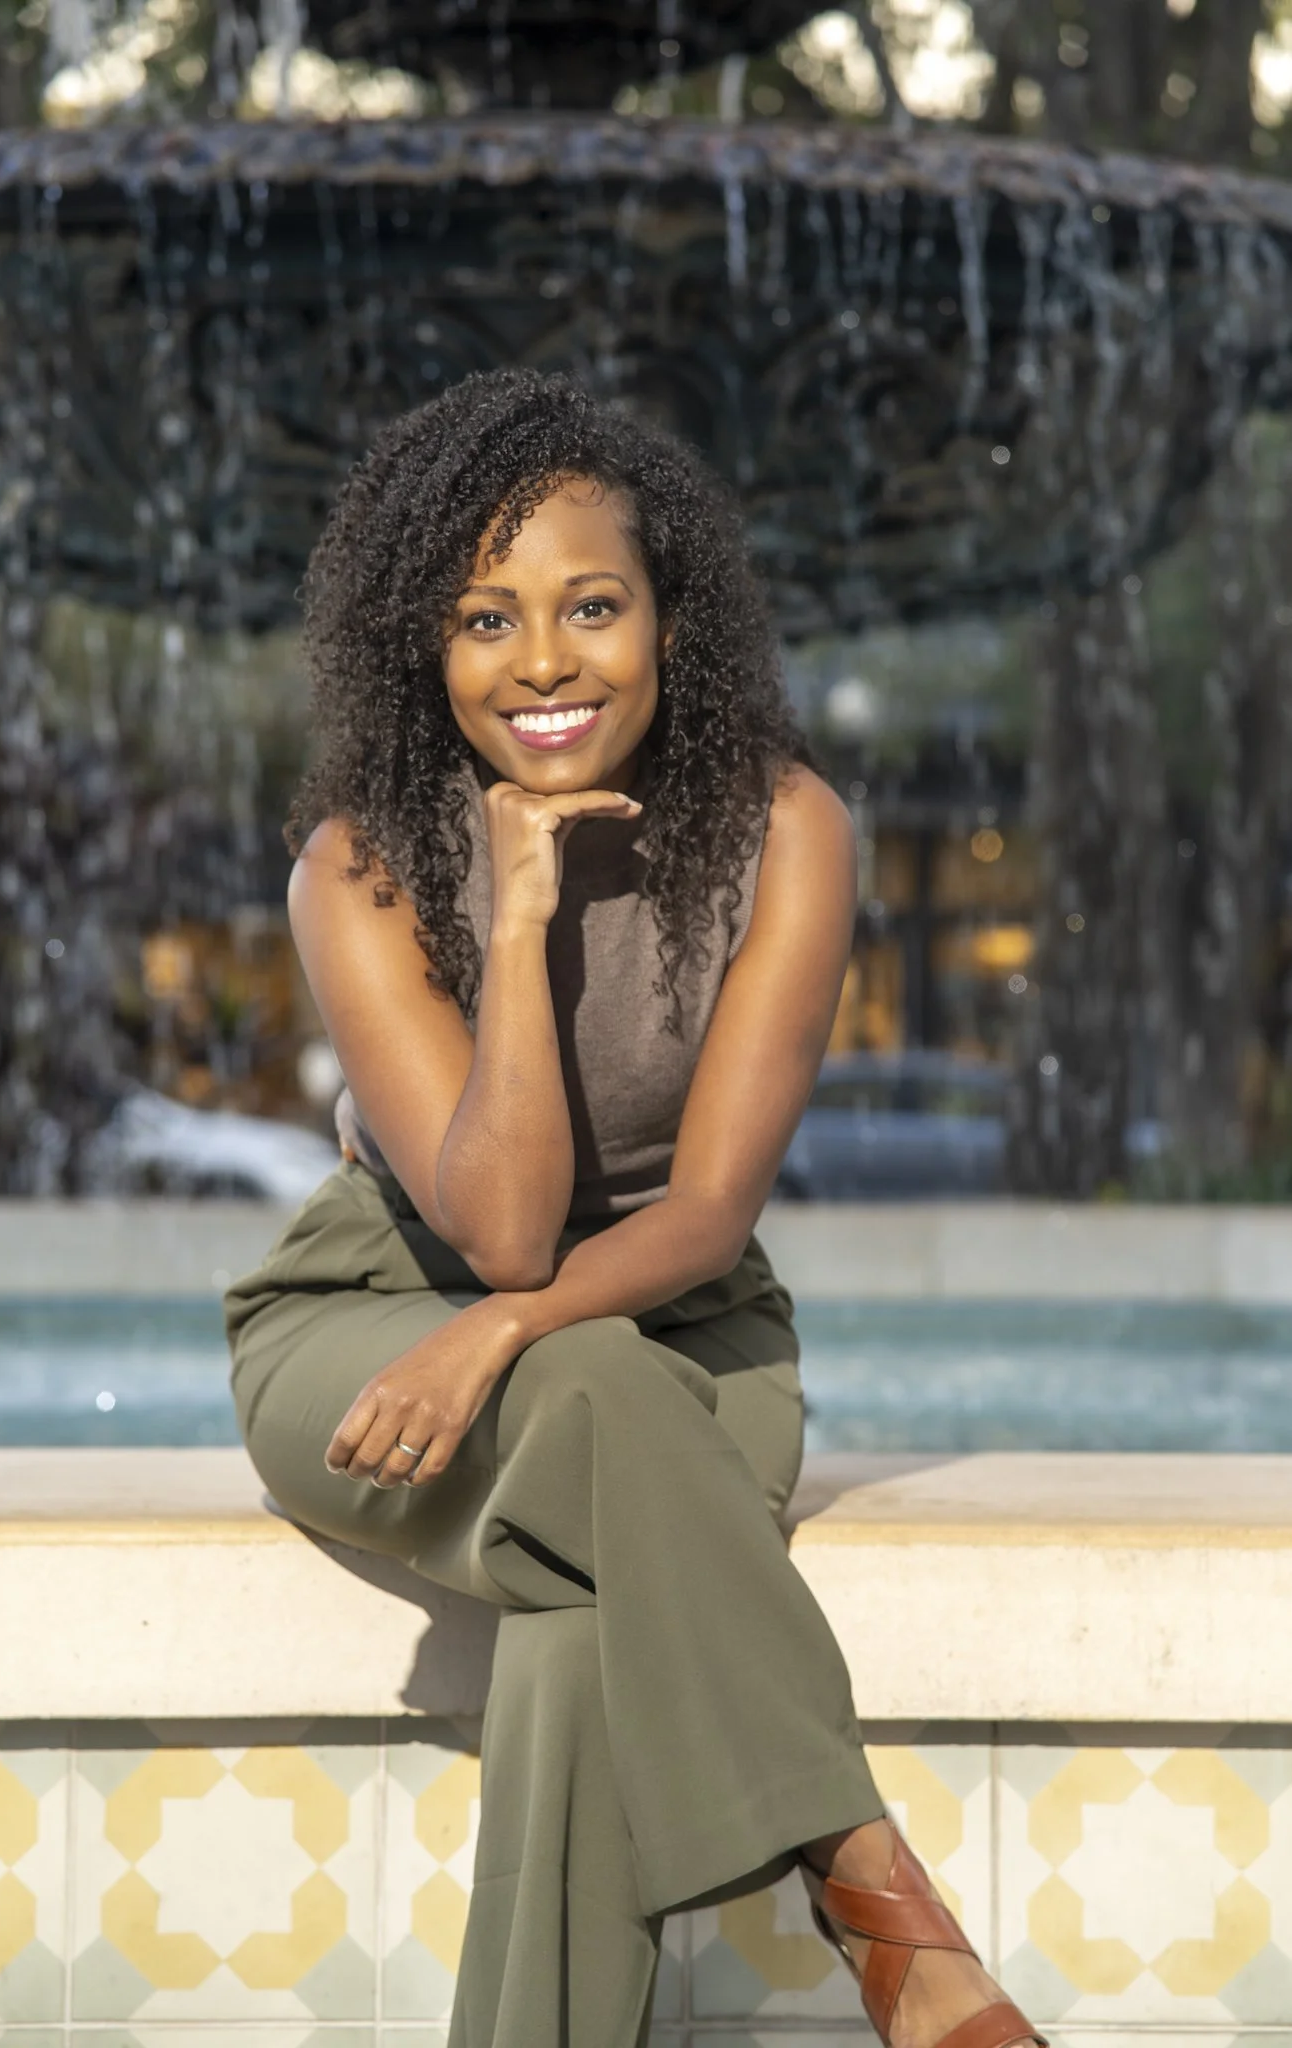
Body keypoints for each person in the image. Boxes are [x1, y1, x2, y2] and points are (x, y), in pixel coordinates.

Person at [224, 367, 1047, 2048]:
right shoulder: (359, 865)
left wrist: (509, 1338)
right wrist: (515, 925)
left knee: (576, 1618)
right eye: (483, 618)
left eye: (591, 606)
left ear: (670, 617)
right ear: (420, 647)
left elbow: (705, 1211)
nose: (542, 660)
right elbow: (501, 1227)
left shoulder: (787, 832)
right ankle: (882, 1906)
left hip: (678, 1330)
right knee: (593, 1407)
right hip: (376, 1318)